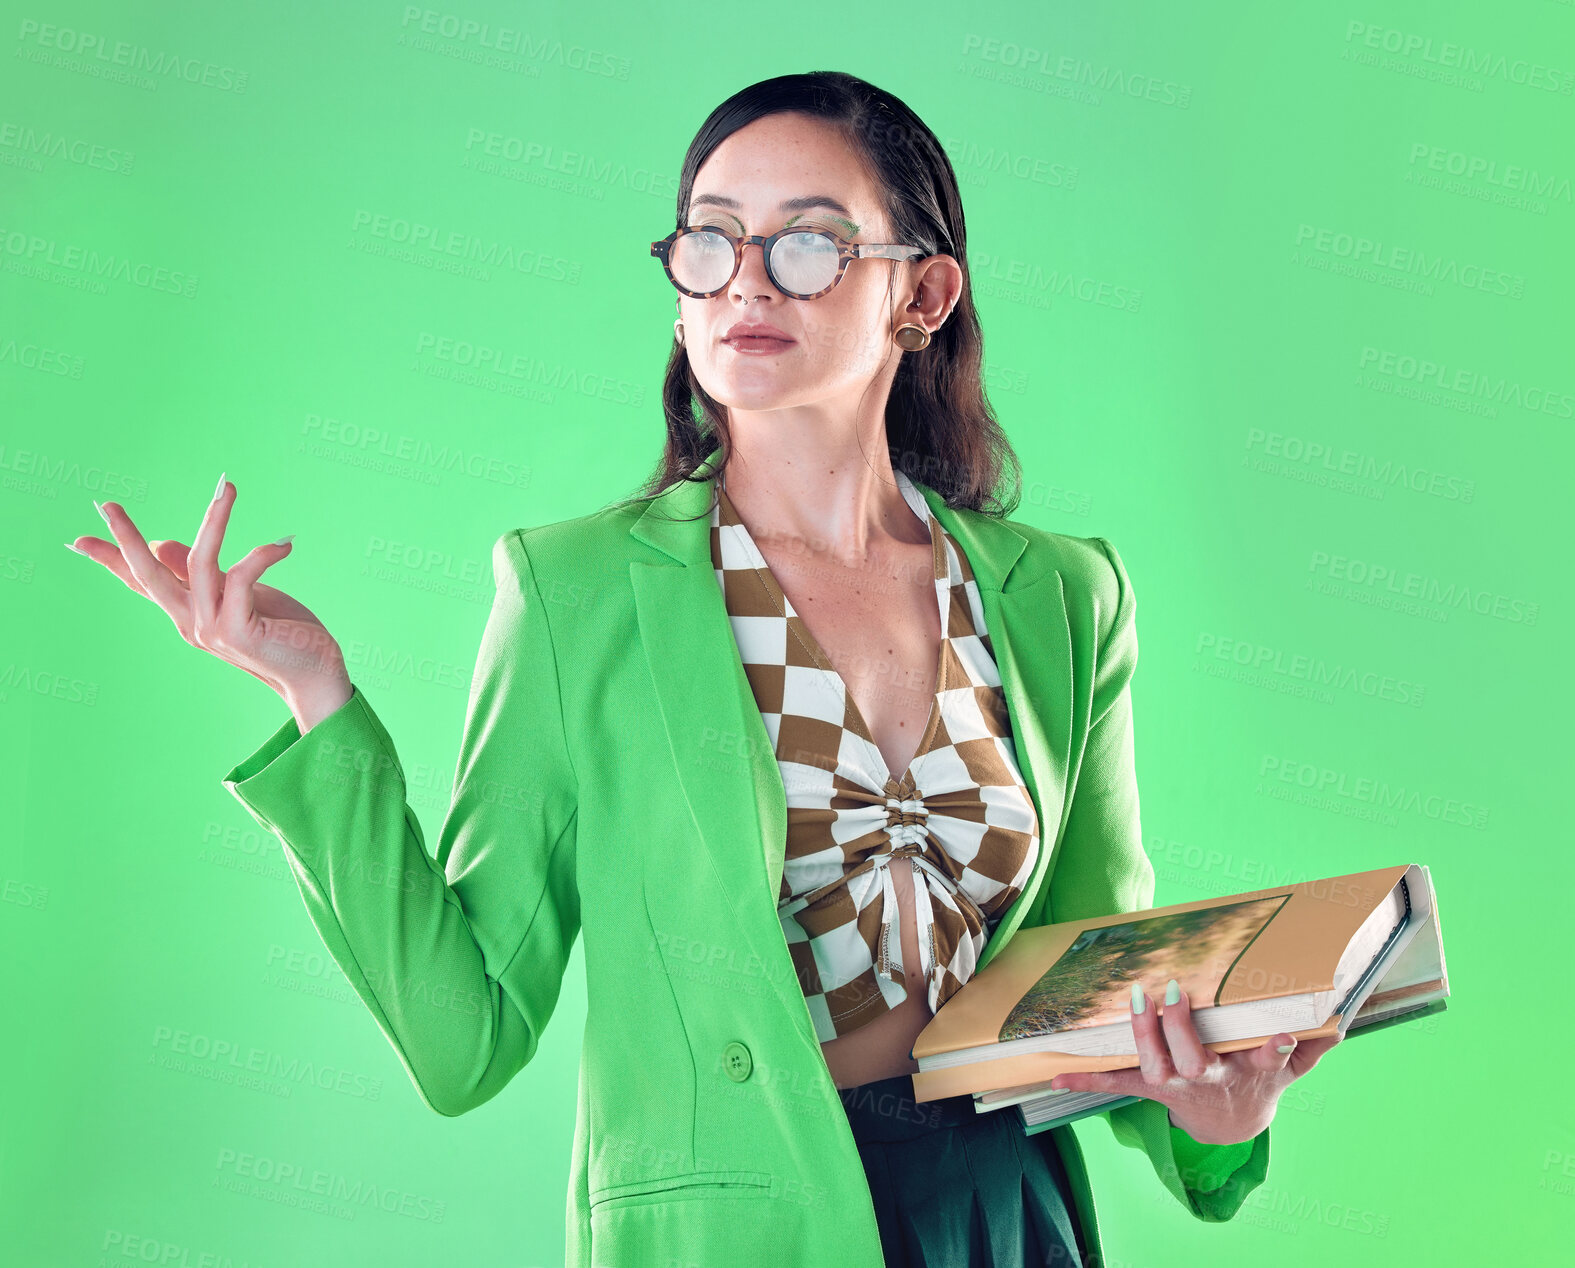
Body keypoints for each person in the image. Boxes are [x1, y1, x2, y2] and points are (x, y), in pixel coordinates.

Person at [68, 71, 1340, 1268]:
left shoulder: (1062, 591)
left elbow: (1087, 957)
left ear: (924, 294)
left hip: (1000, 1209)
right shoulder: (575, 593)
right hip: (742, 1222)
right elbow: (465, 1035)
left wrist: (1211, 1113)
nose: (746, 283)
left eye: (806, 242)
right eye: (710, 238)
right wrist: (317, 700)